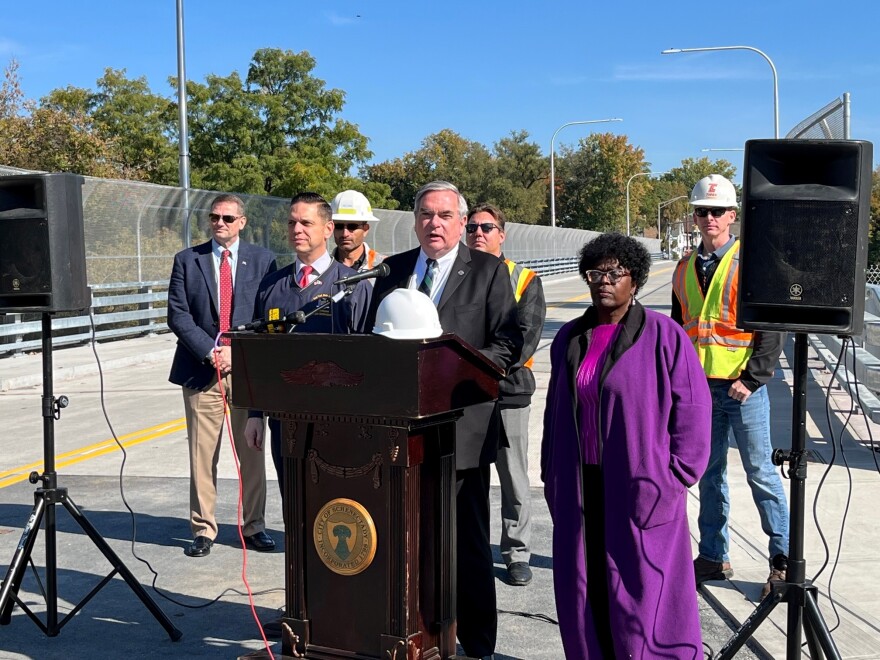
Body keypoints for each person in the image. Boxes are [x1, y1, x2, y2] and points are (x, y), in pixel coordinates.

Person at [365, 181, 523, 660]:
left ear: (461, 221)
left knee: (465, 541)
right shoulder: (391, 270)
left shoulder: (491, 272)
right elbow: (376, 338)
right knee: (404, 537)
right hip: (399, 430)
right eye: (426, 214)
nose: (435, 223)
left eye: (445, 215)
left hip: (463, 427)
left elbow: (508, 342)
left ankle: (476, 644)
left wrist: (456, 374)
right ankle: (412, 631)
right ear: (414, 220)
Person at [541, 232, 711, 658]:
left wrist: (675, 477)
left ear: (634, 280)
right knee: (588, 585)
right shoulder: (569, 338)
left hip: (642, 487)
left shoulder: (664, 335)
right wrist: (551, 474)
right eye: (596, 271)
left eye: (615, 272)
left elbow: (692, 409)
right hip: (582, 486)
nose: (604, 280)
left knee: (643, 590)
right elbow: (555, 412)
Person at [671, 174, 790, 599]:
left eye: (717, 211)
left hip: (743, 390)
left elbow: (770, 326)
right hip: (699, 390)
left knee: (761, 473)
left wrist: (752, 378)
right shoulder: (683, 268)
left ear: (732, 216)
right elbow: (679, 330)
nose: (709, 218)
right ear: (694, 216)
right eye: (702, 211)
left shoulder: (752, 261)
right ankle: (712, 555)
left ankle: (782, 560)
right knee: (709, 475)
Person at [167, 193, 278, 558]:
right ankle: (203, 529)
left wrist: (237, 351)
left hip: (246, 369)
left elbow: (269, 314)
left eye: (228, 218)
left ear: (242, 222)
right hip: (201, 370)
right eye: (215, 217)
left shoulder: (263, 261)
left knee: (252, 451)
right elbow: (178, 315)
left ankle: (254, 526)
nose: (220, 224)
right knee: (202, 454)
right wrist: (210, 351)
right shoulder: (187, 260)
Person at [245, 192, 372, 498]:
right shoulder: (271, 285)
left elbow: (368, 357)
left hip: (338, 421)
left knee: (334, 501)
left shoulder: (353, 284)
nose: (296, 229)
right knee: (293, 499)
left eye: (305, 222)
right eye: (291, 222)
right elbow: (260, 353)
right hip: (284, 419)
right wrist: (255, 414)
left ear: (328, 229)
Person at [465, 203, 545, 587]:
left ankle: (516, 552)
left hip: (508, 393)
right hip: (464, 396)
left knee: (513, 476)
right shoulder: (456, 274)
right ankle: (472, 546)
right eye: (472, 227)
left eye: (487, 227)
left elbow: (524, 340)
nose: (478, 233)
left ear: (502, 234)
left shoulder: (524, 279)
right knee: (468, 476)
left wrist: (477, 366)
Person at [330, 189, 386, 275]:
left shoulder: (384, 265)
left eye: (352, 226)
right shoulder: (323, 267)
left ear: (365, 230)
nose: (345, 234)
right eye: (339, 226)